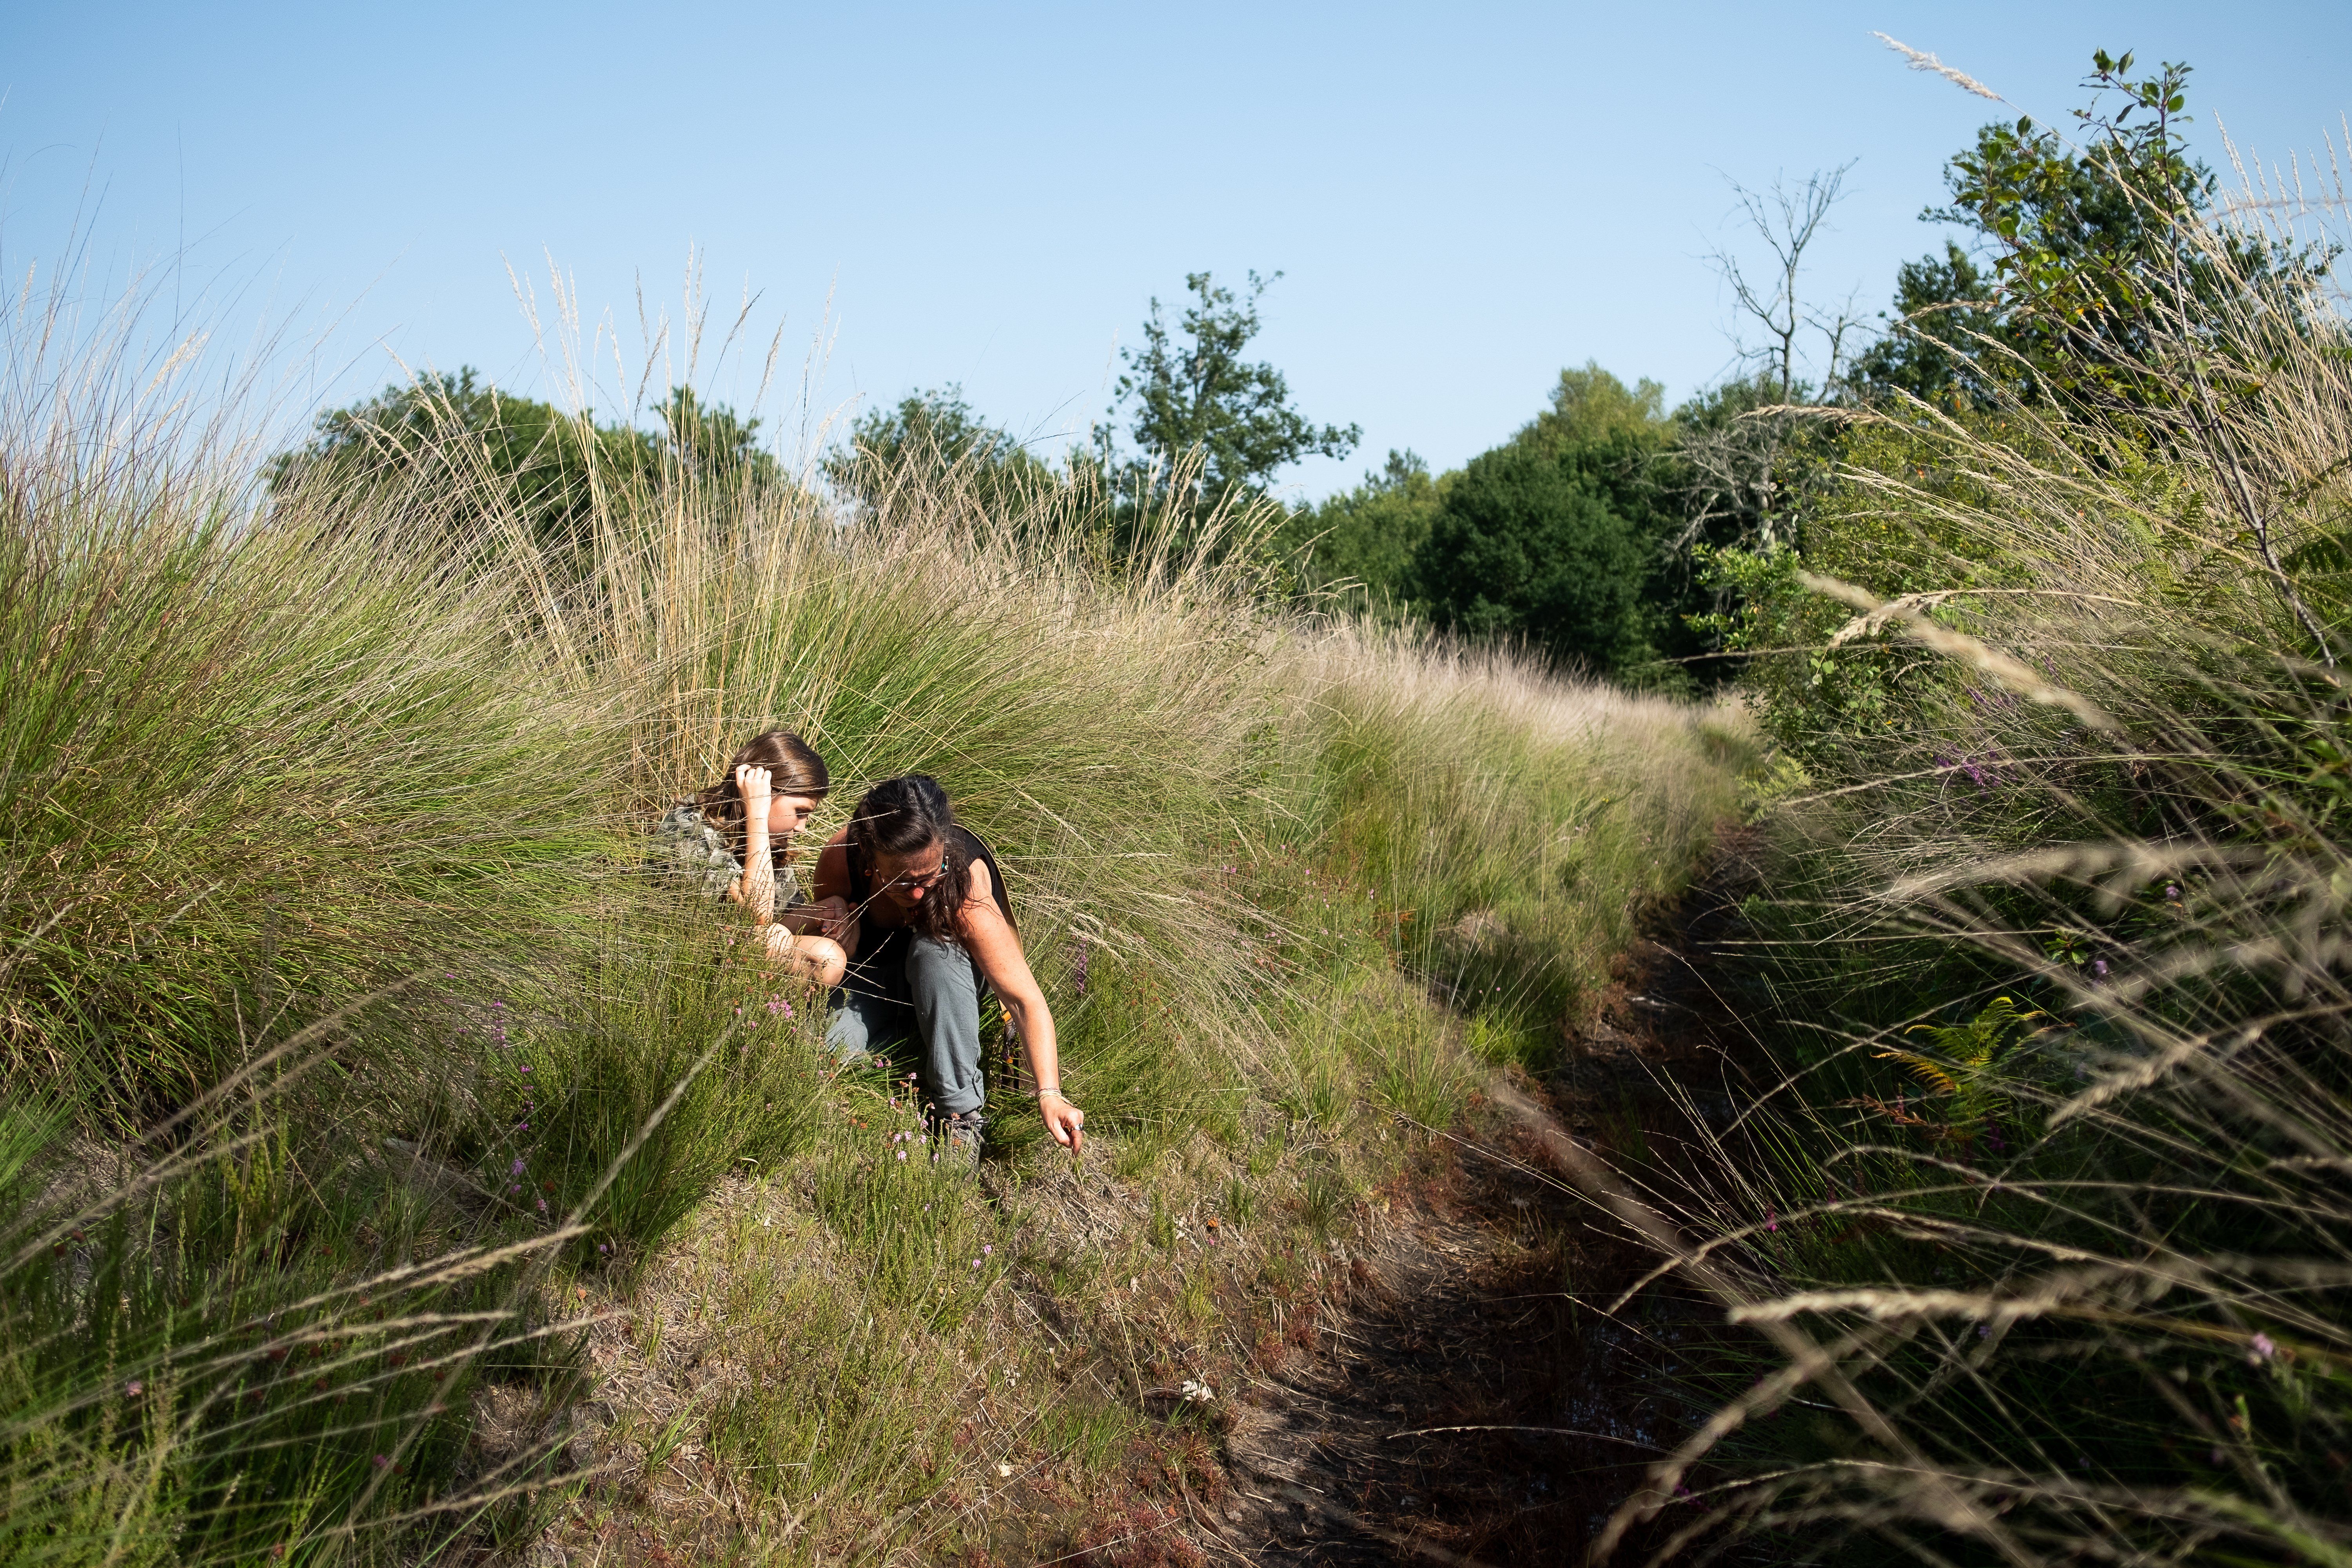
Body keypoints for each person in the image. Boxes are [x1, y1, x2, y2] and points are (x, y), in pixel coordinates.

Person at [812, 775, 1085, 1159]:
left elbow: (1025, 1000)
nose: (921, 894)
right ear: (870, 860)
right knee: (831, 1054)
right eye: (904, 883)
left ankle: (962, 1116)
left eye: (930, 874)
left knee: (932, 952)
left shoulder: (964, 883)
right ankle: (910, 1051)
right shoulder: (842, 855)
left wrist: (1050, 1093)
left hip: (951, 980)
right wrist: (839, 918)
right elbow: (820, 931)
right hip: (878, 974)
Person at [654, 730, 849, 987]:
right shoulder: (690, 825)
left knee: (828, 928)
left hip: (735, 953)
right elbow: (757, 916)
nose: (802, 827)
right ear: (764, 794)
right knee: (825, 959)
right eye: (800, 813)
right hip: (680, 962)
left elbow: (779, 921)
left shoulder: (769, 843)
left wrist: (827, 912)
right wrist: (757, 815)